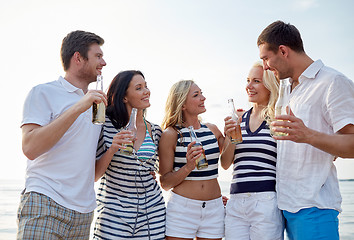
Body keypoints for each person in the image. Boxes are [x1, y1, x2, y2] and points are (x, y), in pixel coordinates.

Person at [257, 20, 354, 240]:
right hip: (286, 207)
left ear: (283, 51)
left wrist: (308, 135)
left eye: (265, 58)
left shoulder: (332, 81)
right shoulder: (290, 89)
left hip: (315, 208)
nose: (264, 67)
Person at [17, 30, 107, 239]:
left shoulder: (98, 105)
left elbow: (89, 170)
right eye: (98, 56)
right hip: (44, 203)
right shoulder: (43, 92)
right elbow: (30, 148)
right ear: (78, 58)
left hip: (84, 213)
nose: (104, 62)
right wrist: (79, 106)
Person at [93, 70, 166, 239]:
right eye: (139, 88)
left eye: (146, 86)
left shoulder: (155, 130)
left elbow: (165, 172)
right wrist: (112, 149)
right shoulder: (104, 126)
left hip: (152, 214)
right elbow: (95, 175)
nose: (146, 91)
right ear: (124, 97)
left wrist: (211, 197)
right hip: (114, 214)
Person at [221, 61, 284, 240]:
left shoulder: (277, 118)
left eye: (256, 81)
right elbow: (225, 164)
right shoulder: (238, 118)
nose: (249, 86)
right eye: (248, 80)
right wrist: (231, 135)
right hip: (236, 201)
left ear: (270, 85)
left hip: (266, 200)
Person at [159, 80, 225, 240]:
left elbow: (229, 160)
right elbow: (165, 183)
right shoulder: (171, 134)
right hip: (182, 209)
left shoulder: (212, 129)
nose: (203, 98)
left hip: (214, 208)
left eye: (201, 93)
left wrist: (233, 130)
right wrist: (188, 166)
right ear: (182, 105)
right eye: (196, 95)